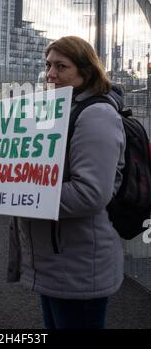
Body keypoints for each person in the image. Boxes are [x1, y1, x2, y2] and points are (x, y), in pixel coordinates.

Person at [7, 36, 126, 329]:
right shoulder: (58, 111)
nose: (50, 74)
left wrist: (19, 194)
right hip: (54, 258)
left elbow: (91, 194)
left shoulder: (96, 115)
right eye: (48, 65)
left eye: (62, 66)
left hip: (78, 261)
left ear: (85, 72)